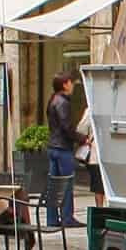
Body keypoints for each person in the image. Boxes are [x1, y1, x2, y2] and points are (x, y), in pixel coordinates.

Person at [45, 74, 82, 228]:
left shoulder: (53, 100)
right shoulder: (63, 103)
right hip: (62, 148)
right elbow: (67, 127)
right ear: (65, 85)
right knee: (66, 184)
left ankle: (52, 218)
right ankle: (67, 217)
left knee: (54, 185)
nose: (73, 86)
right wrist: (81, 138)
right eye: (71, 83)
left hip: (53, 147)